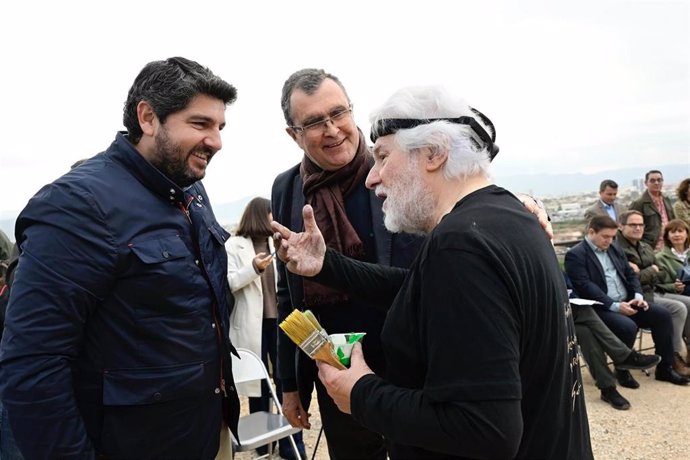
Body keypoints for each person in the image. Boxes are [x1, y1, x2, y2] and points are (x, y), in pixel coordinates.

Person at [273, 85, 593, 459]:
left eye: (383, 157)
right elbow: (416, 287)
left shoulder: (459, 245)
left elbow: (484, 428)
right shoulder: (508, 215)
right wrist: (327, 266)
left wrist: (361, 393)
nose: (372, 177)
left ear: (434, 153)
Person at [0, 57, 241, 458]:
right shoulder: (78, 205)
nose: (216, 141)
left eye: (219, 127)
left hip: (201, 432)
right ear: (148, 117)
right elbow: (32, 365)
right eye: (200, 124)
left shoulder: (191, 193)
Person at [565, 215, 688, 387]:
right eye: (605, 236)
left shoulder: (614, 248)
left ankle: (665, 368)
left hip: (628, 301)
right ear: (591, 232)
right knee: (627, 326)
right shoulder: (576, 255)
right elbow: (585, 286)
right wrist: (614, 305)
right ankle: (622, 369)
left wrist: (637, 296)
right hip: (602, 307)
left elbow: (630, 275)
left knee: (663, 315)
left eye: (613, 237)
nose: (610, 241)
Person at [225, 197, 305, 459]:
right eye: (271, 212)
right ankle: (263, 444)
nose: (275, 217)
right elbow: (228, 283)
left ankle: (290, 444)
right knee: (258, 385)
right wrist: (253, 269)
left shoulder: (277, 241)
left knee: (285, 380)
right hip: (253, 324)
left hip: (280, 323)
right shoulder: (233, 245)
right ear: (261, 215)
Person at [616, 210, 690, 375]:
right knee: (678, 308)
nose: (638, 228)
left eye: (641, 224)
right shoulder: (618, 250)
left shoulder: (645, 246)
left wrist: (646, 271)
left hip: (654, 290)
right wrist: (652, 270)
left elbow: (661, 272)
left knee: (688, 303)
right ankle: (674, 356)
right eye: (633, 225)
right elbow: (629, 281)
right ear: (621, 227)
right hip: (638, 297)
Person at [656, 219, 690, 359]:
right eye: (673, 232)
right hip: (670, 294)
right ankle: (676, 355)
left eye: (680, 231)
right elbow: (656, 285)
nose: (677, 235)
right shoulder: (660, 257)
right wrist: (673, 286)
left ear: (687, 234)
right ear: (667, 236)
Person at [629, 170, 675, 250]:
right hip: (651, 248)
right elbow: (631, 228)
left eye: (659, 180)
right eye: (652, 180)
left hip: (669, 246)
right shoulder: (639, 203)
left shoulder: (666, 200)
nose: (656, 183)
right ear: (646, 183)